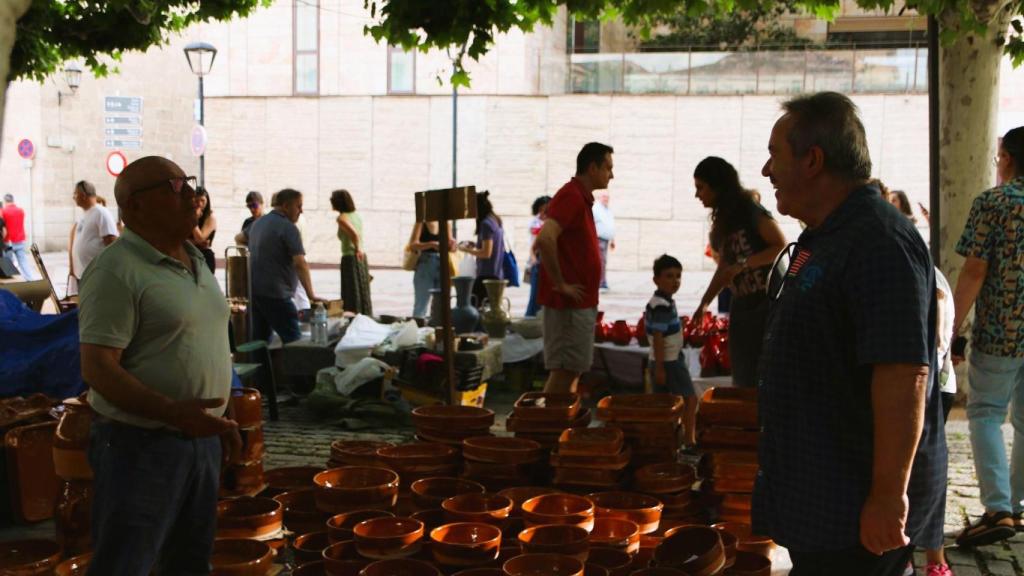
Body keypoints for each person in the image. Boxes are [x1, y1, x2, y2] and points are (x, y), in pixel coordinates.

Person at [753, 92, 946, 575]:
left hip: (854, 504)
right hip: (824, 494)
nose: (766, 170)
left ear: (813, 160)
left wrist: (887, 498)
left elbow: (904, 376)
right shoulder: (827, 235)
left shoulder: (879, 241)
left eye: (775, 154)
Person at [77, 156, 240, 574]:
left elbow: (205, 342)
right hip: (140, 447)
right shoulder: (116, 270)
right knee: (126, 562)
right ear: (134, 207)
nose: (191, 193)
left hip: (199, 440)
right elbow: (97, 368)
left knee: (188, 561)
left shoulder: (197, 259)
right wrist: (174, 413)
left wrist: (225, 416)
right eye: (174, 187)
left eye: (188, 182)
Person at [950, 125, 1024, 547]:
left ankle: (998, 509)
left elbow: (974, 270)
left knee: (985, 413)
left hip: (1002, 329)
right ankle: (1015, 505)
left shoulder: (993, 203)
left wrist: (952, 329)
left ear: (1008, 159)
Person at [690, 156, 786, 388]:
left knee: (766, 374)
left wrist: (745, 264)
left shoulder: (749, 210)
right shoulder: (724, 220)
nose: (697, 195)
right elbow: (725, 267)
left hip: (768, 303)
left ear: (717, 186)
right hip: (743, 304)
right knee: (743, 374)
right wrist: (704, 302)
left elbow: (779, 244)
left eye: (701, 188)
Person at [537, 142, 613, 394]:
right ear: (592, 168)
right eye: (608, 168)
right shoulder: (570, 195)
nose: (611, 175)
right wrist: (560, 284)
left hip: (579, 303)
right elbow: (545, 238)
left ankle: (560, 425)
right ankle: (549, 427)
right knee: (564, 371)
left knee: (572, 371)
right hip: (568, 306)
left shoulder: (580, 197)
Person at [247, 188, 323, 345]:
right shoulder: (288, 228)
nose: (301, 211)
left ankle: (261, 370)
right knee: (294, 342)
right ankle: (293, 369)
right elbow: (300, 263)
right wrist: (311, 295)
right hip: (277, 295)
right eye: (299, 206)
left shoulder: (258, 223)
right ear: (286, 206)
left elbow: (240, 237)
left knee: (260, 343)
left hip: (255, 293)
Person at [645, 254, 698, 450]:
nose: (675, 281)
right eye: (669, 276)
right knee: (690, 399)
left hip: (664, 359)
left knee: (664, 403)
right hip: (669, 361)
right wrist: (660, 368)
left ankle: (664, 441)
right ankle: (689, 440)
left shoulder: (662, 302)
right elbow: (658, 337)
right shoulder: (661, 305)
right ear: (656, 279)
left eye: (678, 276)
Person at [68, 181, 119, 295]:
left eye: (75, 194)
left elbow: (112, 244)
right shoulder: (85, 214)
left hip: (97, 277)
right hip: (84, 275)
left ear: (83, 195)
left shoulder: (101, 213)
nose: (73, 197)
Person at [459, 191, 505, 308]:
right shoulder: (495, 220)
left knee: (474, 307)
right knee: (489, 308)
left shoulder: (486, 224)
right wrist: (475, 245)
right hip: (496, 273)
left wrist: (465, 250)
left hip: (486, 274)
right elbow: (490, 246)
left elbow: (486, 253)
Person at [331, 189, 373, 316]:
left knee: (351, 292)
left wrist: (357, 248)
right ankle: (365, 316)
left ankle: (354, 319)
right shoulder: (355, 215)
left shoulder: (341, 218)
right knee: (362, 291)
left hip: (350, 257)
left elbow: (354, 234)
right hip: (360, 256)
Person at [409, 221, 449, 318]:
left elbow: (450, 243)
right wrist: (431, 244)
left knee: (441, 306)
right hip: (425, 263)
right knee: (421, 304)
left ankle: (437, 330)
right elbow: (413, 244)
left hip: (443, 263)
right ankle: (418, 329)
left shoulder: (445, 223)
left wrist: (452, 245)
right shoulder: (421, 222)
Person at [524, 195, 551, 317]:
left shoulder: (550, 222)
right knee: (535, 295)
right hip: (538, 259)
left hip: (547, 260)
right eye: (541, 210)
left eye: (546, 210)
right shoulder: (535, 223)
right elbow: (534, 245)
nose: (543, 213)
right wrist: (534, 259)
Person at [1, 193, 37, 280]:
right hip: (20, 240)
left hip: (8, 242)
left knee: (9, 263)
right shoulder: (20, 210)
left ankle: (13, 281)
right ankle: (29, 279)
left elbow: (3, 227)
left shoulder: (3, 211)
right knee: (23, 262)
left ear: (5, 201)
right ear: (13, 200)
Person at [190, 187, 218, 273]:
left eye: (202, 200)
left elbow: (200, 238)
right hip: (188, 255)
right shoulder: (186, 215)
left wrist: (194, 219)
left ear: (207, 201)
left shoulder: (210, 218)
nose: (199, 204)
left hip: (204, 256)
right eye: (196, 200)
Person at [593, 190, 615, 291]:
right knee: (600, 261)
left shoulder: (607, 210)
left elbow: (610, 225)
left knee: (603, 261)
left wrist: (612, 240)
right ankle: (600, 283)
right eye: (604, 197)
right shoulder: (595, 209)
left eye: (607, 197)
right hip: (598, 239)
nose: (606, 199)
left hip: (606, 239)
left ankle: (603, 282)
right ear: (599, 198)